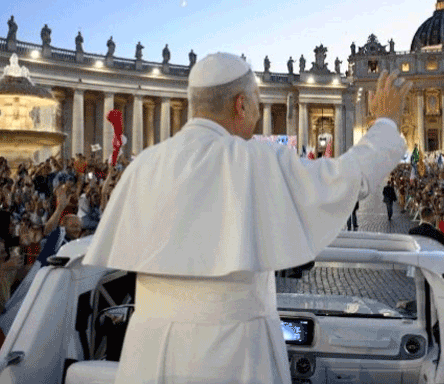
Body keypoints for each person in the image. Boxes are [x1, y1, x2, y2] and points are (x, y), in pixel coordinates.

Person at [82, 53, 412, 384]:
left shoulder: (142, 166)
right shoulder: (255, 160)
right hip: (231, 353)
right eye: (256, 100)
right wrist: (385, 122)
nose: (258, 110)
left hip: (147, 354)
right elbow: (349, 177)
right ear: (241, 105)